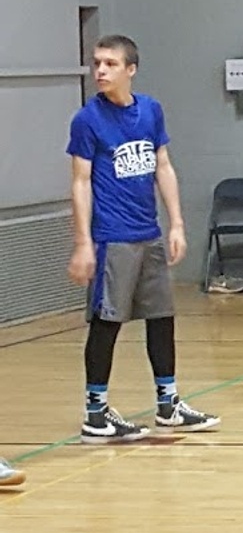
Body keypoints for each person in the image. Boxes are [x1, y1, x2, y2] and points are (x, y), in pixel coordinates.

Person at [66, 35, 220, 443]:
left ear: (130, 70)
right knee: (106, 322)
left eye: (110, 64)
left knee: (161, 318)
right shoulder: (87, 119)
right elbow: (80, 182)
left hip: (147, 232)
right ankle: (95, 414)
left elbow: (163, 166)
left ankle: (168, 403)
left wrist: (177, 224)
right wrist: (83, 242)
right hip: (111, 237)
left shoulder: (150, 110)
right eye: (97, 63)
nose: (100, 70)